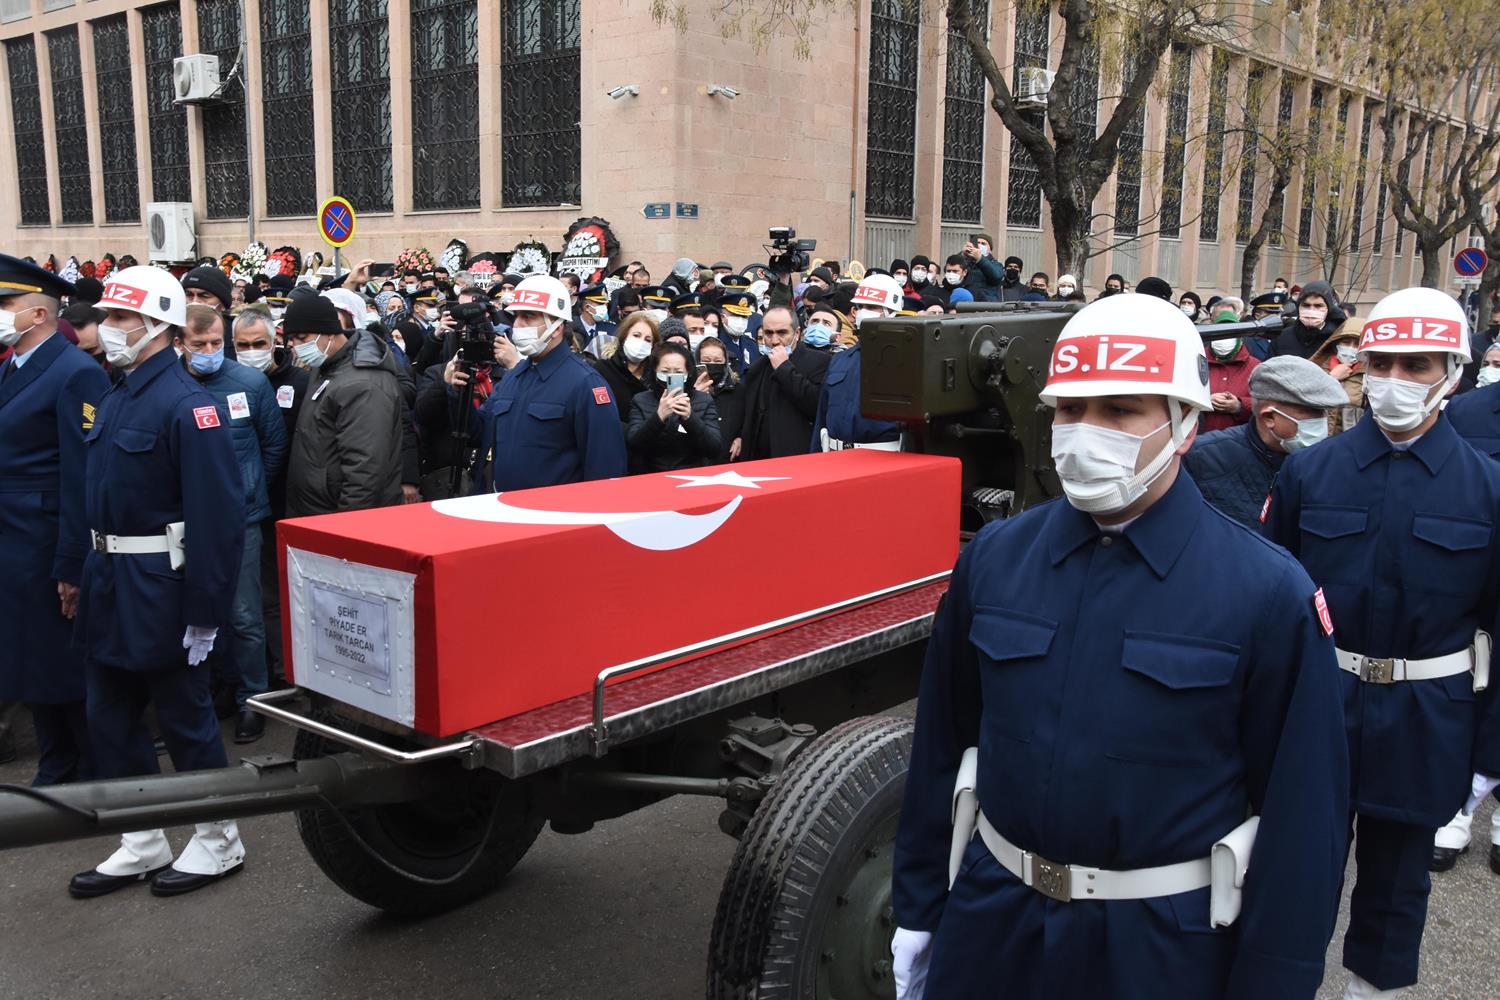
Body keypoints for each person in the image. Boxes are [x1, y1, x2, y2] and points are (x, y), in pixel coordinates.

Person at [892, 293, 1347, 1000]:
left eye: (1120, 410)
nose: (1084, 431)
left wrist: (1274, 982)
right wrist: (918, 911)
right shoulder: (996, 559)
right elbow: (940, 749)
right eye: (1071, 409)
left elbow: (1303, 820)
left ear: (1186, 424)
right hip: (994, 926)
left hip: (1160, 949)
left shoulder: (1266, 592)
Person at [1262, 287, 1500, 1000]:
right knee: (1297, 874)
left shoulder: (1488, 490)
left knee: (1398, 886)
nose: (1395, 380)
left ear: (1453, 373)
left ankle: (1374, 992)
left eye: (1417, 365)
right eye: (1383, 362)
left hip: (1429, 714)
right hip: (1320, 707)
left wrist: (1488, 752)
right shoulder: (1311, 471)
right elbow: (1274, 603)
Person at [72, 266, 247, 898]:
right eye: (109, 317)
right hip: (109, 578)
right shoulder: (117, 395)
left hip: (159, 582)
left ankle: (218, 838)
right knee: (109, 713)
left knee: (184, 715)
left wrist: (205, 611)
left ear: (157, 326)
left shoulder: (187, 405)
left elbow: (218, 517)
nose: (106, 328)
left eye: (118, 318)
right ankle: (142, 837)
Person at [0, 254, 110, 785]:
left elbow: (81, 475)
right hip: (14, 538)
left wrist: (73, 562)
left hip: (46, 538)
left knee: (61, 662)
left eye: (7, 305)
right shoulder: (12, 365)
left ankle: (84, 765)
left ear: (39, 314)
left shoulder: (75, 372)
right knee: (29, 657)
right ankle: (56, 757)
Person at [175, 306, 286, 743]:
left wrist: (249, 490)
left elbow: (273, 446)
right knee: (202, 613)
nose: (208, 352)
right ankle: (219, 688)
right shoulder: (174, 385)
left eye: (216, 344)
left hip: (241, 520)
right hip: (187, 523)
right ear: (180, 343)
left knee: (244, 615)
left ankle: (252, 700)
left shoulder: (250, 383)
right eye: (198, 345)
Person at [447, 275, 624, 491]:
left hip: (553, 517)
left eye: (528, 317)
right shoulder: (513, 376)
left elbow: (605, 470)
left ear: (557, 327)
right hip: (501, 508)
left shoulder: (585, 384)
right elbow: (480, 433)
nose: (518, 324)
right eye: (516, 316)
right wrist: (459, 392)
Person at [1184, 356, 1346, 527]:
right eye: (1313, 411)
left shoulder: (1331, 463)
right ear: (1269, 417)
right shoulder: (1201, 458)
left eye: (1324, 411)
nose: (1322, 421)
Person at [283, 294, 405, 515]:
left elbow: (364, 470)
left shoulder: (363, 384)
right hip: (317, 508)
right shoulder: (326, 366)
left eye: (302, 337)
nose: (297, 346)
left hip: (339, 515)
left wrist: (345, 530)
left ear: (329, 332)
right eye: (292, 340)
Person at [812, 274, 905, 452]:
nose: (863, 312)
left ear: (892, 313)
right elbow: (821, 419)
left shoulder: (906, 363)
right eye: (860, 307)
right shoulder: (840, 360)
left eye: (871, 307)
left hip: (882, 460)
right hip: (835, 456)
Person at [728, 306, 829, 461]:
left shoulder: (819, 362)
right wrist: (740, 435)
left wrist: (784, 369)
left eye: (782, 333)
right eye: (768, 333)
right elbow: (748, 411)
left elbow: (816, 406)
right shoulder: (756, 368)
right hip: (757, 459)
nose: (774, 341)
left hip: (797, 459)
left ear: (797, 333)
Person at [625, 341, 722, 473]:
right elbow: (634, 445)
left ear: (688, 372)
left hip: (691, 476)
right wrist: (659, 417)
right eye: (665, 371)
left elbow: (714, 448)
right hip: (650, 477)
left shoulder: (703, 400)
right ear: (655, 371)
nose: (671, 376)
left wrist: (690, 418)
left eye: (678, 372)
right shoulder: (640, 400)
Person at [593, 311, 658, 422]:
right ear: (624, 337)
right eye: (636, 335)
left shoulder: (655, 376)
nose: (641, 342)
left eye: (648, 340)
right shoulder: (603, 370)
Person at [1308, 320, 1367, 435]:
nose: (1350, 348)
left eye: (1357, 343)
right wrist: (1331, 378)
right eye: (1346, 342)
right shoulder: (1317, 366)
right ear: (1336, 344)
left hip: (1351, 440)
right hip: (1317, 438)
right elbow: (1303, 396)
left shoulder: (1369, 373)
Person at [1201, 323, 1260, 434]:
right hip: (1198, 436)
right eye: (1219, 336)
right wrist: (1205, 400)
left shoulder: (1255, 366)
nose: (1223, 341)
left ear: (1240, 339)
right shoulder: (1197, 361)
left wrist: (1239, 406)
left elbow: (1265, 403)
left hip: (1240, 438)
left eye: (1229, 336)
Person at [695, 336, 745, 464]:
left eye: (718, 361)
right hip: (698, 462)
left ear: (726, 362)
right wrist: (696, 398)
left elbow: (748, 420)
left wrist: (741, 437)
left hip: (729, 461)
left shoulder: (739, 390)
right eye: (706, 360)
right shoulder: (688, 391)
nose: (712, 365)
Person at [1270, 280, 1345, 359]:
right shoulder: (1282, 338)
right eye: (1306, 305)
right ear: (1298, 307)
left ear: (1328, 309)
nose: (1311, 310)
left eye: (1318, 306)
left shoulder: (1339, 340)